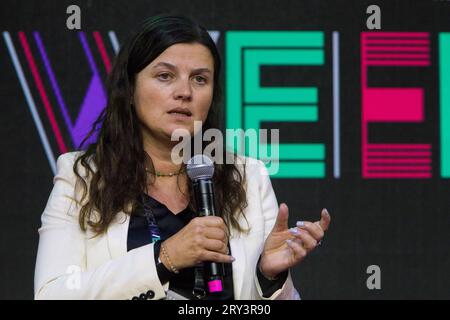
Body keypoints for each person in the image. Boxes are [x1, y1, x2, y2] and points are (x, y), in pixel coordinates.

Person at [34, 13, 331, 300]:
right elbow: (52, 294)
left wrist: (269, 279)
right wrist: (164, 258)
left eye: (200, 80)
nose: (184, 92)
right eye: (165, 76)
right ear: (131, 87)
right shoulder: (82, 177)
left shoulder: (246, 178)